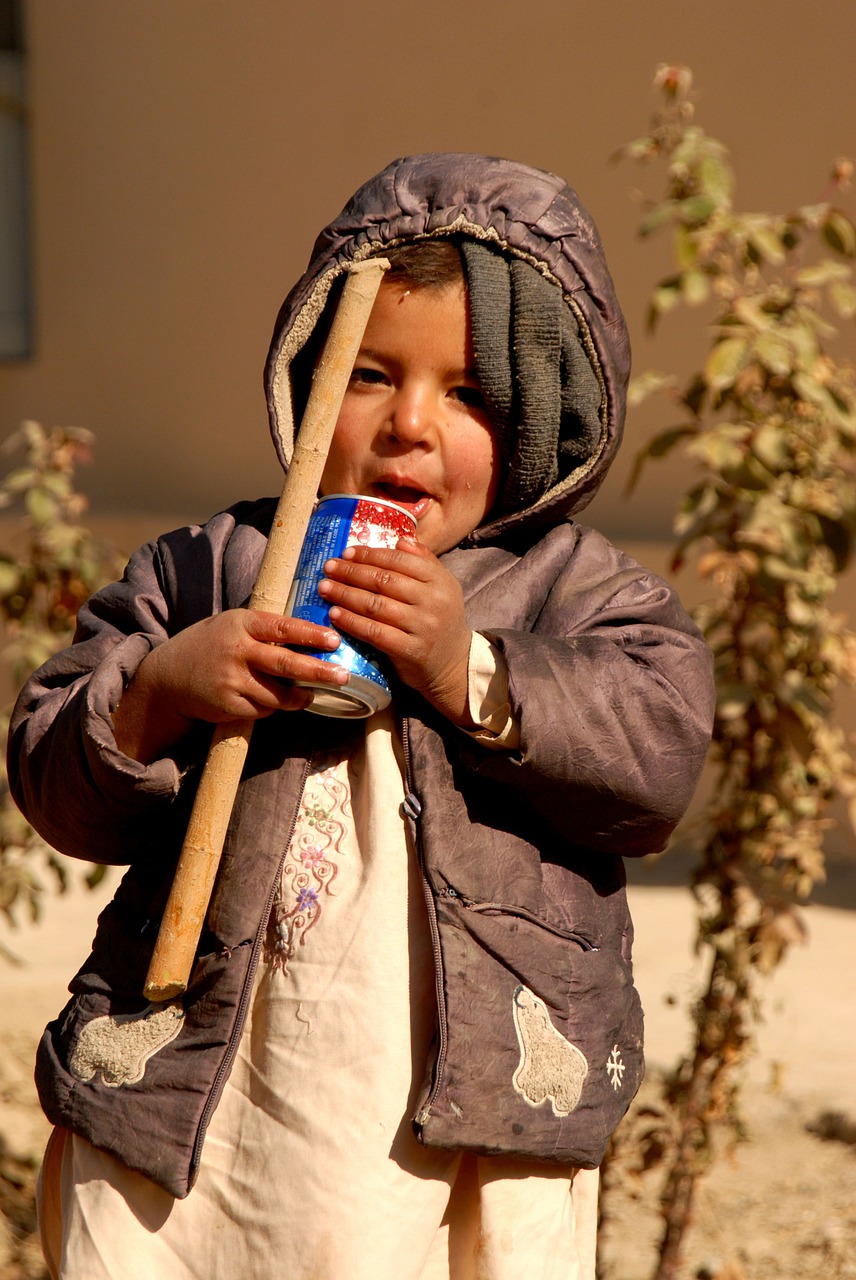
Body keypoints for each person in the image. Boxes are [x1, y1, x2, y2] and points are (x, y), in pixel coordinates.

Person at [8, 153, 714, 1279]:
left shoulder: (576, 591)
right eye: (372, 375)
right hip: (208, 1100)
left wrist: (471, 664)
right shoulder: (212, 568)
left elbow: (659, 757)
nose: (410, 426)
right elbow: (50, 765)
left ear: (547, 417)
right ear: (307, 375)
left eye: (471, 393)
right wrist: (160, 691)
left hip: (466, 1124)